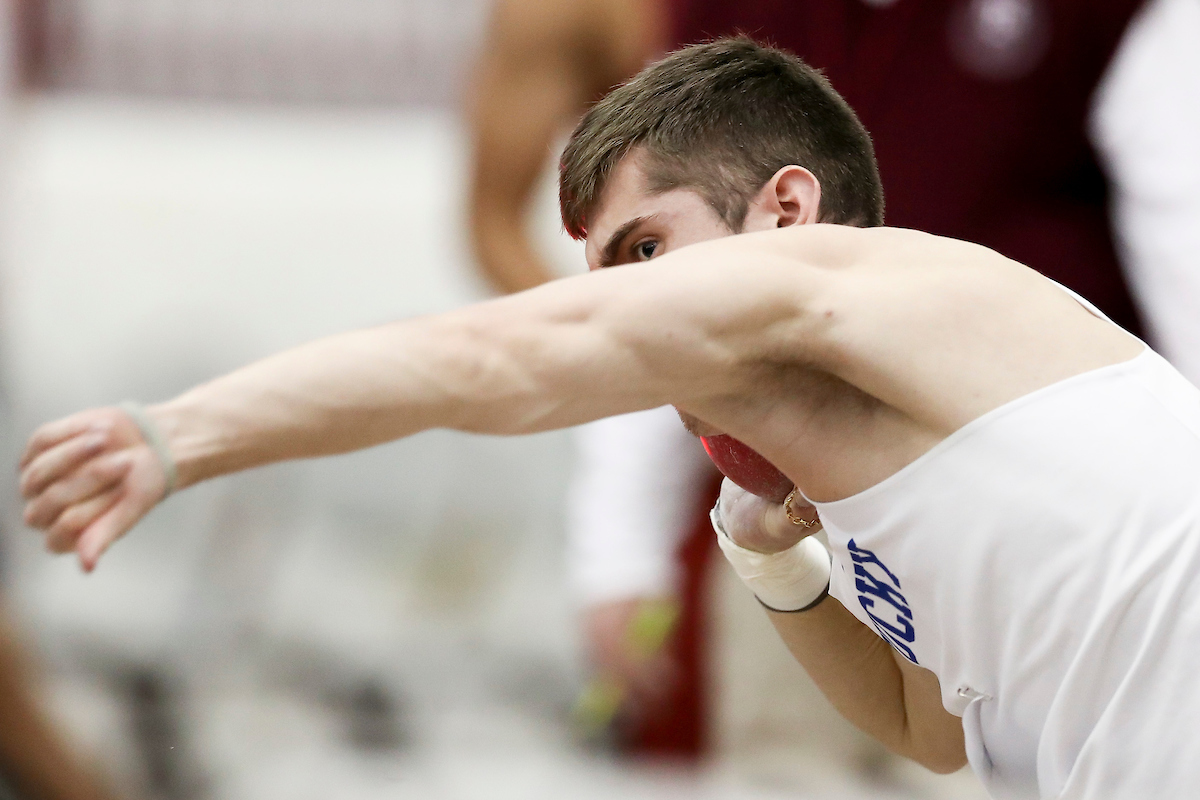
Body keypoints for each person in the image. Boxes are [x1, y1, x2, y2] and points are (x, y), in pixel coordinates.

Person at [18, 40, 1200, 797]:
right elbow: (933, 727)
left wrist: (183, 433)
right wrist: (773, 553)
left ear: (789, 211)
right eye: (602, 273)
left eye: (645, 251)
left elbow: (489, 356)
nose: (626, 305)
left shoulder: (858, 276)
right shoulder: (887, 458)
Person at [468, 0, 1200, 755]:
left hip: (1023, 494)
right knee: (805, 751)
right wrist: (622, 546)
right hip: (791, 496)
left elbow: (1183, 238)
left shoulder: (1112, 21)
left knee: (1001, 759)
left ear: (791, 207)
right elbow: (654, 301)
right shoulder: (693, 28)